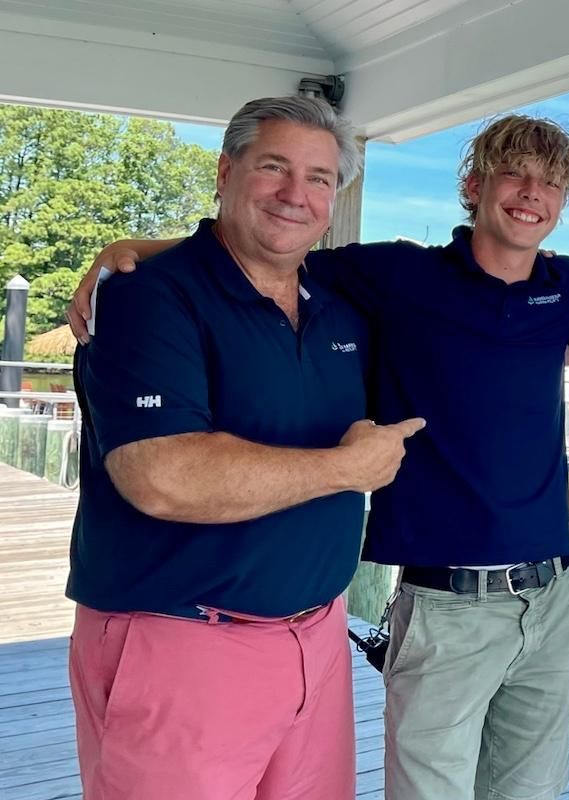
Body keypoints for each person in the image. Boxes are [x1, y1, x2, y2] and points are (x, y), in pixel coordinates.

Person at [67, 113, 569, 800]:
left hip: (557, 599)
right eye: (513, 175)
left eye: (550, 182)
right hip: (444, 608)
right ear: (474, 186)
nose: (530, 193)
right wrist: (132, 249)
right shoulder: (395, 276)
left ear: (565, 202)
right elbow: (265, 243)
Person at [67, 96, 424, 800]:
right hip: (181, 641)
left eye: (320, 178)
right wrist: (345, 471)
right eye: (274, 167)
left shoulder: (339, 304)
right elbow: (160, 475)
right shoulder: (150, 297)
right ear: (226, 171)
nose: (297, 195)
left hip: (317, 641)